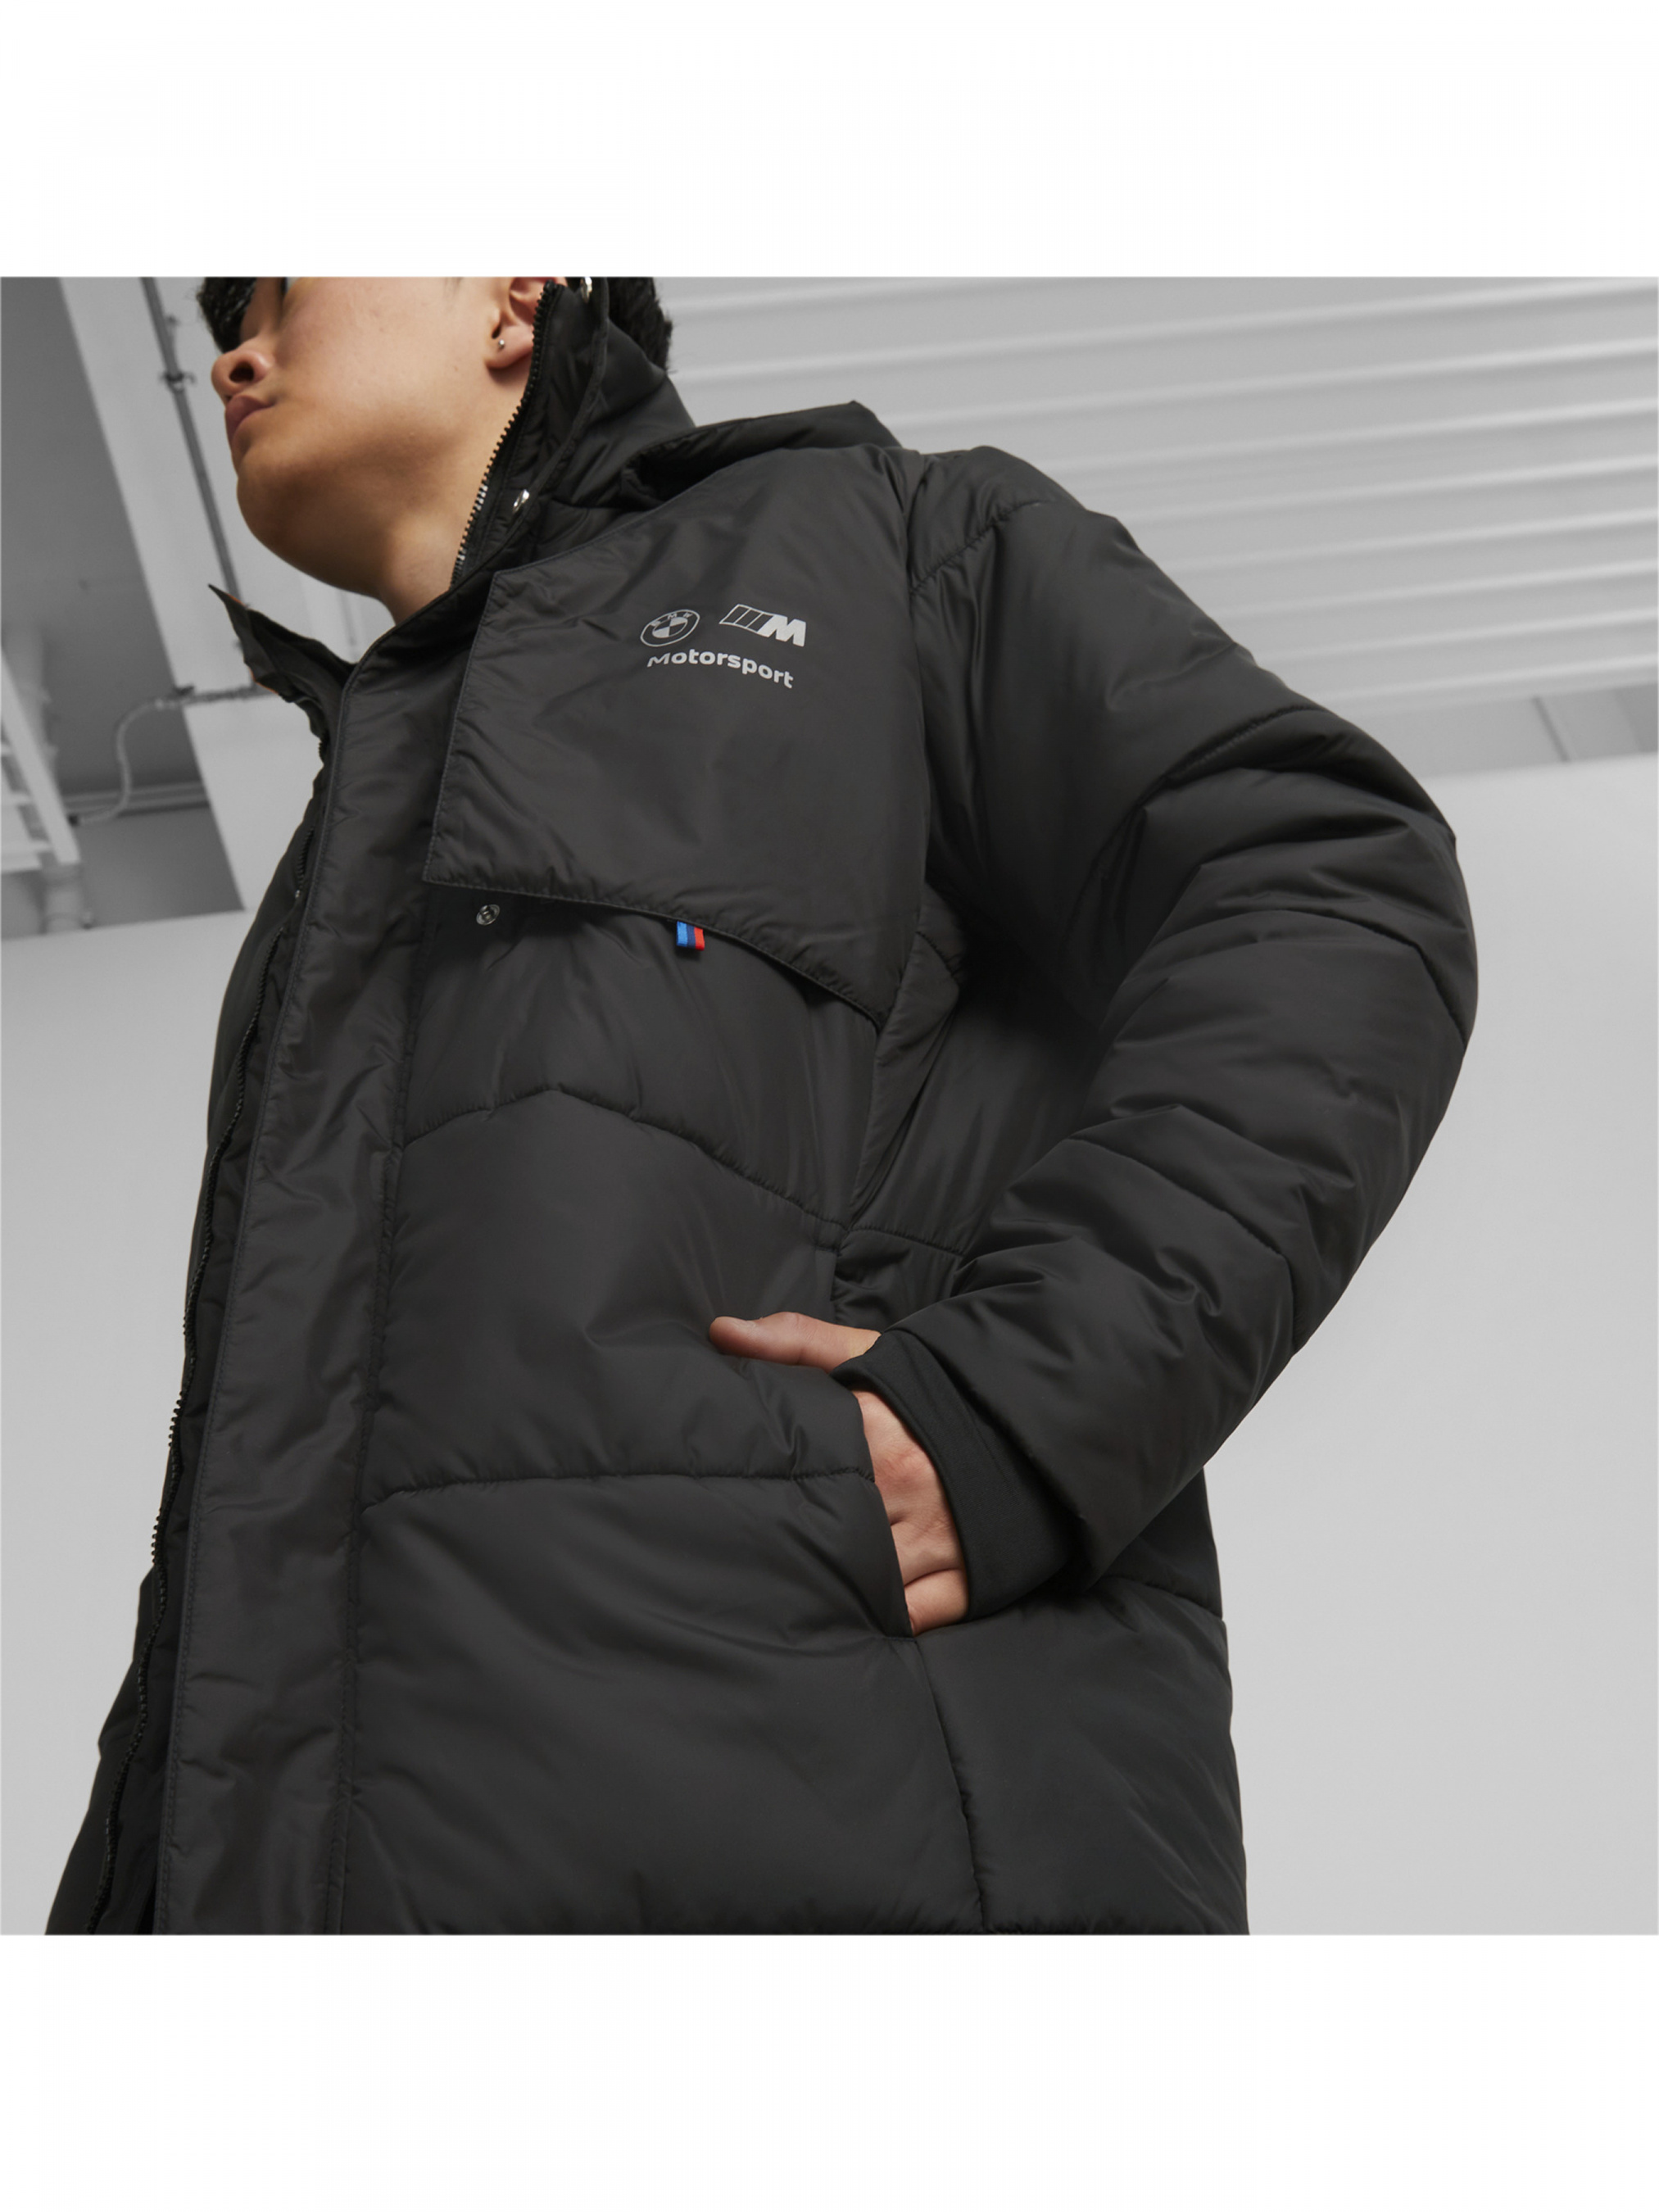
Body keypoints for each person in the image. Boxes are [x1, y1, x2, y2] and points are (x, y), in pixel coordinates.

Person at [49, 277, 1476, 1934]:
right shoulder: (348, 840)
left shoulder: (878, 544)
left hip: (835, 1846)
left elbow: (1323, 883)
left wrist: (1020, 1410)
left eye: (282, 290)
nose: (233, 352)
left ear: (515, 287)